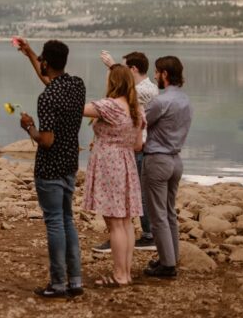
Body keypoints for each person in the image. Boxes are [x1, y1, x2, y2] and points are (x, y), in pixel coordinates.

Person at [14, 37, 86, 298]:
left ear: (47, 62)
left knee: (55, 222)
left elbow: (46, 140)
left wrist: (29, 127)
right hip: (70, 165)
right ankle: (75, 280)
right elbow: (50, 81)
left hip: (50, 168)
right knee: (67, 220)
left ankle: (57, 283)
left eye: (42, 60)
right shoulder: (76, 86)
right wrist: (30, 53)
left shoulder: (47, 98)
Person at [82, 64, 144, 286]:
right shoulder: (137, 109)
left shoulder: (110, 106)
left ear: (114, 82)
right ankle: (125, 273)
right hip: (126, 163)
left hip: (110, 164)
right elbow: (138, 145)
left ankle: (119, 275)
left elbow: (77, 108)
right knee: (125, 221)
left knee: (115, 223)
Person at [93, 50, 158, 254]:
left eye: (124, 67)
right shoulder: (140, 89)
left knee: (136, 195)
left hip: (139, 146)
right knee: (131, 195)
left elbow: (121, 98)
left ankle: (146, 236)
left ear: (133, 69)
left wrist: (113, 68)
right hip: (131, 145)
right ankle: (126, 235)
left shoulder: (146, 90)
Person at [142, 56, 193, 279]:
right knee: (170, 211)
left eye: (156, 72)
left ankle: (167, 265)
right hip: (176, 160)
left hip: (158, 160)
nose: (154, 76)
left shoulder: (161, 102)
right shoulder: (186, 101)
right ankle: (171, 257)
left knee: (158, 214)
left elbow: (141, 122)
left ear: (164, 74)